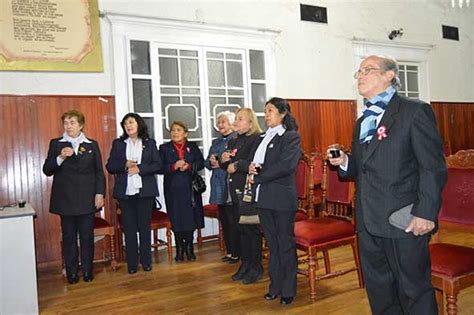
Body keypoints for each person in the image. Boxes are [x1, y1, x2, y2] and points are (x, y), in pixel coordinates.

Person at [328, 55, 447, 314]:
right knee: (380, 291)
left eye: (367, 70)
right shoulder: (364, 120)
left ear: (389, 75)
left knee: (413, 291)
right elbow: (362, 168)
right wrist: (345, 162)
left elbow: (433, 166)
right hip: (368, 219)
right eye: (358, 72)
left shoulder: (414, 111)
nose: (360, 75)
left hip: (403, 218)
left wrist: (425, 213)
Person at [248, 97, 301, 305]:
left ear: (282, 114)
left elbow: (286, 166)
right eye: (265, 111)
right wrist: (252, 168)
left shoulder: (290, 137)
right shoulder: (264, 137)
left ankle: (288, 289)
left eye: (270, 110)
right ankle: (275, 286)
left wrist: (259, 175)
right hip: (264, 197)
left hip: (281, 198)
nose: (266, 115)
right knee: (272, 245)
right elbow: (259, 162)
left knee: (285, 245)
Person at [43, 110, 105, 284]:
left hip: (86, 199)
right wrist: (61, 157)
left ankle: (87, 271)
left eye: (72, 122)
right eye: (66, 123)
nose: (68, 126)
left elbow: (99, 172)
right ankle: (71, 273)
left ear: (81, 125)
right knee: (69, 237)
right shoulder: (56, 144)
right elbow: (47, 170)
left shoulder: (92, 145)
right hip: (65, 200)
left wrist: (99, 194)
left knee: (87, 236)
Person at [106, 113, 161, 274]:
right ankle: (131, 263)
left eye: (131, 122)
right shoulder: (119, 143)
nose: (128, 126)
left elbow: (157, 164)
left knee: (144, 227)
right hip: (126, 192)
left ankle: (146, 261)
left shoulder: (149, 143)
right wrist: (124, 165)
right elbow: (110, 166)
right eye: (125, 124)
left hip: (145, 191)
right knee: (129, 228)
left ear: (139, 124)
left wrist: (140, 169)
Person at [220, 108, 263, 283]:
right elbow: (227, 165)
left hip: (248, 192)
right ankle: (245, 265)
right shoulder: (234, 140)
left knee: (251, 230)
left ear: (251, 123)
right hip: (234, 191)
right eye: (236, 119)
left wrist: (237, 164)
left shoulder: (257, 139)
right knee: (241, 230)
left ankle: (255, 267)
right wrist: (223, 160)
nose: (235, 122)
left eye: (240, 119)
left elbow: (256, 161)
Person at [159, 121, 205, 262]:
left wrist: (189, 166)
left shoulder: (192, 146)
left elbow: (201, 163)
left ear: (185, 133)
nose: (175, 132)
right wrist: (173, 166)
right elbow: (159, 167)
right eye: (173, 130)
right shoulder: (164, 148)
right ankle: (179, 249)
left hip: (190, 190)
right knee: (177, 219)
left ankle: (190, 248)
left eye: (178, 130)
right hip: (173, 190)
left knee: (190, 219)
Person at [204, 111, 237, 262]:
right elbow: (206, 163)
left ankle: (237, 253)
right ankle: (229, 251)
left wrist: (221, 163)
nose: (220, 125)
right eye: (218, 122)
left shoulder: (236, 140)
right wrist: (211, 162)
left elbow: (237, 161)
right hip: (218, 184)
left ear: (231, 123)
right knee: (224, 219)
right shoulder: (216, 142)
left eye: (223, 121)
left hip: (230, 183)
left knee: (232, 220)